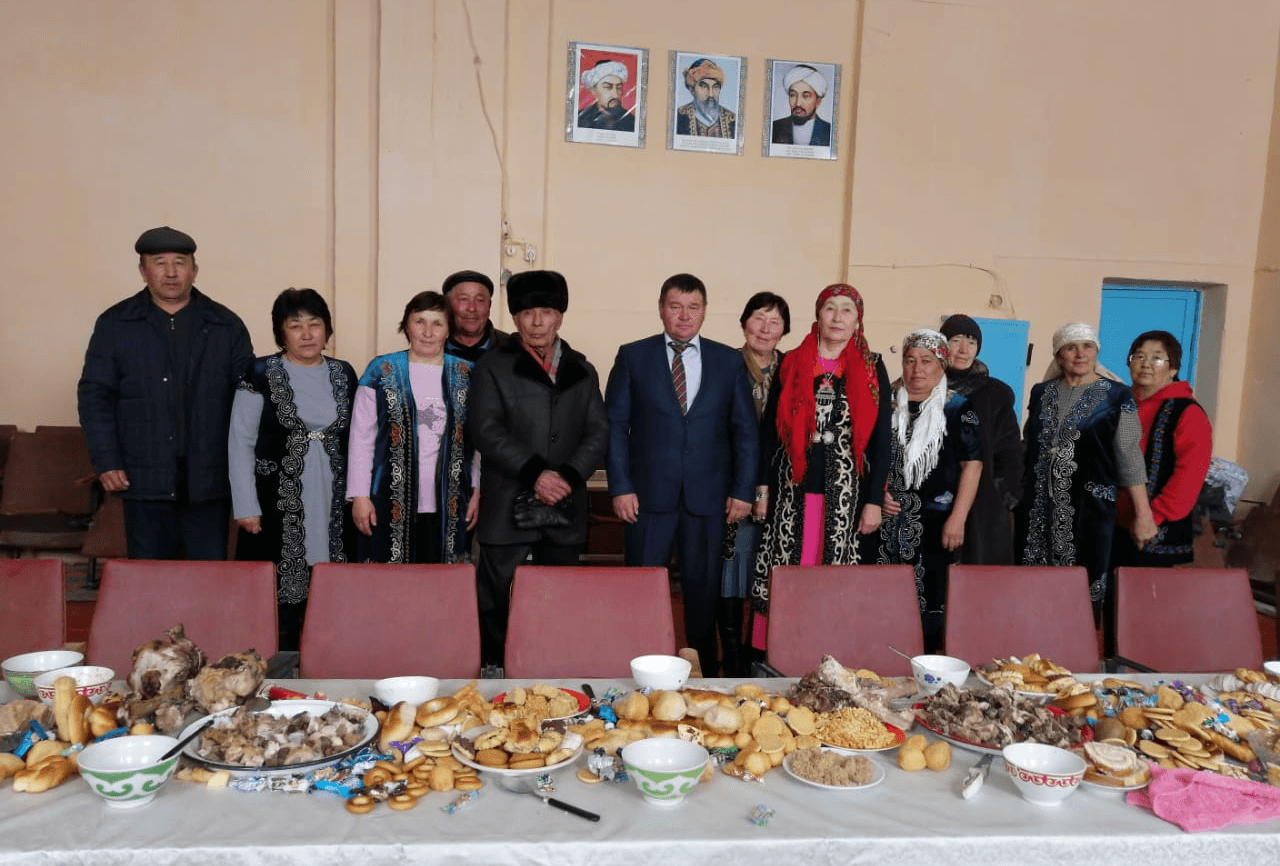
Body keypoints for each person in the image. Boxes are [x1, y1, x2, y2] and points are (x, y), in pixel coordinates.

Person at [605, 273, 759, 677]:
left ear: (705, 311)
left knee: (702, 593)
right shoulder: (633, 356)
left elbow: (744, 430)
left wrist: (743, 489)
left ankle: (703, 675)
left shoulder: (728, 361)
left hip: (708, 498)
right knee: (642, 589)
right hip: (646, 498)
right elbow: (616, 427)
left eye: (693, 307)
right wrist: (620, 486)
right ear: (661, 309)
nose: (684, 315)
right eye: (676, 306)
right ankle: (635, 668)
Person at [78, 226, 253, 560]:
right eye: (160, 263)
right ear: (144, 271)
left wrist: (244, 473)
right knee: (150, 586)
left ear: (194, 270)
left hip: (210, 480)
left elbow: (248, 403)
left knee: (207, 583)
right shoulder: (116, 324)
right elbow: (95, 396)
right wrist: (107, 460)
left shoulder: (225, 325)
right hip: (143, 478)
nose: (171, 272)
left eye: (180, 262)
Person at [469, 271, 609, 670]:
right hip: (506, 502)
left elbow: (598, 431)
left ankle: (554, 667)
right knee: (495, 593)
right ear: (514, 318)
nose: (536, 322)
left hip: (565, 503)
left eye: (545, 312)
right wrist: (535, 473)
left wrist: (567, 475)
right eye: (528, 313)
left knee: (559, 592)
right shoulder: (492, 367)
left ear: (559, 317)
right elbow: (486, 429)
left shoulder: (582, 369)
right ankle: (494, 669)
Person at [750, 284, 891, 642]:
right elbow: (770, 431)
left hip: (844, 494)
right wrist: (763, 488)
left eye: (847, 310)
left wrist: (874, 501)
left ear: (857, 319)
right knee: (787, 565)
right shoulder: (792, 362)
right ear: (818, 314)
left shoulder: (874, 367)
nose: (837, 317)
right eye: (830, 308)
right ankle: (781, 649)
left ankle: (823, 647)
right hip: (791, 490)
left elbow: (881, 441)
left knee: (832, 571)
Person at [228, 289, 358, 650]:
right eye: (295, 325)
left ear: (327, 329)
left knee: (332, 585)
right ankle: (279, 665)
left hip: (334, 497)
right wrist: (246, 506)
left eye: (314, 324)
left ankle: (328, 660)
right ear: (280, 332)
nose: (306, 334)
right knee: (276, 592)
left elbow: (360, 437)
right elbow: (240, 440)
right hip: (275, 500)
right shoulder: (260, 372)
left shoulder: (343, 373)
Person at [1016, 322, 1158, 619]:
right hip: (1036, 511)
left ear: (1096, 352)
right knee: (1030, 595)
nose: (1080, 354)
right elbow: (1029, 445)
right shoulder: (1041, 392)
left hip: (1089, 511)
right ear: (1058, 356)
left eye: (1087, 347)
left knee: (1079, 597)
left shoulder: (1118, 396)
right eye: (1071, 347)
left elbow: (1129, 454)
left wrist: (1144, 514)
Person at [347, 291, 479, 563]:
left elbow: (478, 442)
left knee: (442, 583)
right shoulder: (381, 370)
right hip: (386, 497)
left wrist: (479, 491)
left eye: (437, 323)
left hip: (452, 500)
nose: (428, 332)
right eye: (420, 321)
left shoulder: (468, 374)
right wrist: (359, 496)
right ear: (406, 326)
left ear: (449, 329)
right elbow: (361, 437)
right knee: (390, 584)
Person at [876, 330, 983, 651]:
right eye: (910, 360)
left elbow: (973, 465)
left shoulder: (958, 408)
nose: (917, 369)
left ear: (942, 366)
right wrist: (877, 492)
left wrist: (958, 519)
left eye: (926, 361)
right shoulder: (887, 402)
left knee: (932, 604)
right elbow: (871, 454)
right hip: (886, 525)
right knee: (883, 604)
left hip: (937, 524)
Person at [718, 292, 790, 676]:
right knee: (734, 566)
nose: (765, 328)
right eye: (758, 319)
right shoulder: (725, 364)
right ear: (744, 322)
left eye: (774, 322)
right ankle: (733, 660)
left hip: (783, 489)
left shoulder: (794, 369)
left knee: (772, 572)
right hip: (735, 486)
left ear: (785, 330)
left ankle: (763, 656)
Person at [1112, 330, 1213, 568]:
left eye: (1157, 358)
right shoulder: (1120, 406)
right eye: (1139, 357)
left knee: (1146, 601)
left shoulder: (1187, 413)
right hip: (1113, 525)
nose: (1146, 364)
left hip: (1156, 528)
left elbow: (1189, 477)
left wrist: (1151, 518)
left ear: (1173, 369)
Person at [939, 314, 1024, 564]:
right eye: (956, 340)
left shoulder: (996, 394)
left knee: (976, 579)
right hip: (933, 497)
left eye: (972, 342)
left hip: (982, 502)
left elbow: (1009, 451)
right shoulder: (926, 385)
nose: (964, 350)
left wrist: (1003, 497)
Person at [442, 270, 508, 363]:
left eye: (480, 300)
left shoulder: (511, 349)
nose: (472, 308)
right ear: (447, 305)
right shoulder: (433, 346)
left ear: (489, 306)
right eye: (464, 299)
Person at [770, 64, 832, 147]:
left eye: (806, 96)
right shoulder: (774, 128)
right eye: (793, 95)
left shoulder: (829, 131)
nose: (798, 103)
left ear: (818, 101)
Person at [675, 58, 736, 138]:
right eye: (704, 86)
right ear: (692, 89)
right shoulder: (678, 117)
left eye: (715, 87)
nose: (711, 94)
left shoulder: (733, 120)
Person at [577, 59, 635, 132]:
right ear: (593, 90)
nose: (615, 94)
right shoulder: (580, 118)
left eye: (618, 88)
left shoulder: (631, 121)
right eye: (608, 87)